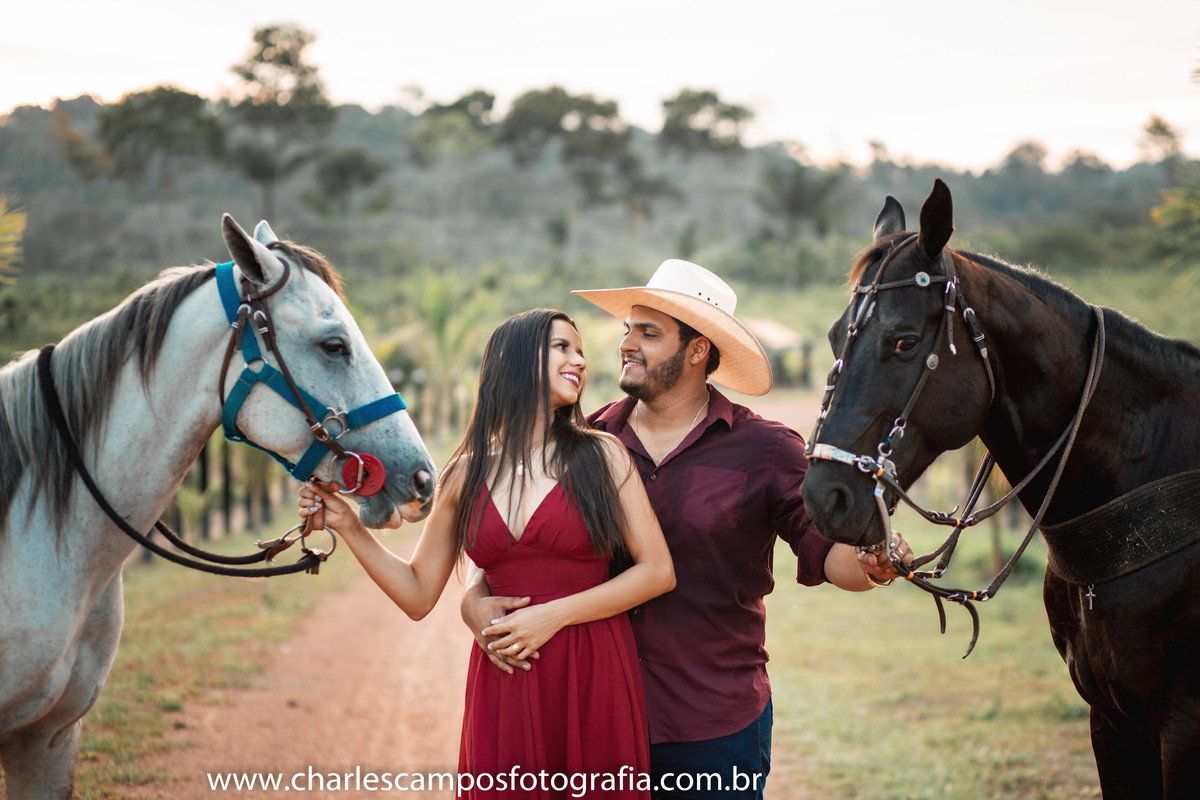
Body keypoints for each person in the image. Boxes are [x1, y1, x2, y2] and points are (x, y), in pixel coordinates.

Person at [462, 261, 911, 800]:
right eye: (628, 329)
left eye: (648, 333)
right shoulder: (589, 440)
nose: (627, 344)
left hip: (712, 728)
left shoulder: (766, 450)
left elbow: (827, 553)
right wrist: (473, 600)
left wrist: (873, 563)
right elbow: (514, 540)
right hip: (592, 713)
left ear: (697, 351)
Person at [299, 308, 675, 799]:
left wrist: (553, 617)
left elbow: (657, 571)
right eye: (562, 347)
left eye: (580, 350)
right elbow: (416, 595)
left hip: (591, 671)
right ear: (515, 361)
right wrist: (349, 526)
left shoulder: (603, 455)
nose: (579, 360)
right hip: (507, 681)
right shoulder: (465, 474)